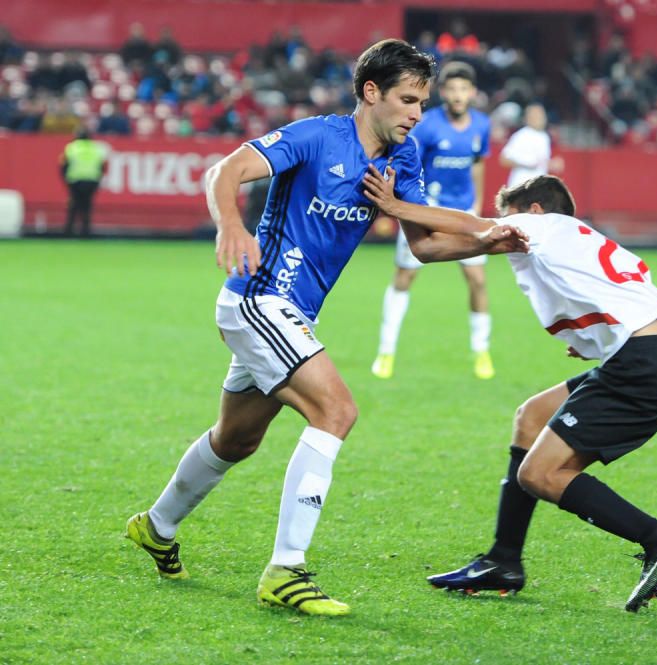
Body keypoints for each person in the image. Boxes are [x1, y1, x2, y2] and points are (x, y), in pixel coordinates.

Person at [123, 39, 529, 618]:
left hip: (290, 314)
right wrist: (231, 226)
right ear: (371, 93)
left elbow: (428, 242)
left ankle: (155, 526)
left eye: (423, 102)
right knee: (336, 411)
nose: (418, 114)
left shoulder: (402, 158)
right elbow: (225, 170)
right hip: (259, 300)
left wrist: (487, 243)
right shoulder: (316, 136)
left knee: (236, 439)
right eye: (408, 100)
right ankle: (286, 569)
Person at [362, 171, 657, 613]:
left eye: (509, 217)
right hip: (654, 358)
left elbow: (474, 226)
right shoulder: (580, 240)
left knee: (540, 475)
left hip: (643, 368)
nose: (504, 229)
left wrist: (395, 207)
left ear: (535, 210)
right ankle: (503, 562)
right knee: (532, 416)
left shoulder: (544, 225)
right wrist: (600, 336)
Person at [372, 62, 495, 381]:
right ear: (443, 93)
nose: (457, 95)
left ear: (473, 93)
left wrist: (478, 203)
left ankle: (481, 351)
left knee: (478, 281)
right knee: (404, 278)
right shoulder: (426, 126)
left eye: (463, 89)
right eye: (452, 89)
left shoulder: (481, 125)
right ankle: (386, 352)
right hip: (427, 210)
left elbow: (478, 164)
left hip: (464, 212)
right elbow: (411, 165)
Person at [500, 102, 563, 187]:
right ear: (528, 118)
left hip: (537, 188)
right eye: (536, 115)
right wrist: (527, 162)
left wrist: (552, 164)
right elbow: (504, 159)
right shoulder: (522, 135)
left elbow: (540, 162)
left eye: (541, 115)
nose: (540, 118)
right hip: (520, 187)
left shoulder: (544, 137)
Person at [60, 127, 106, 237]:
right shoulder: (97, 148)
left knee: (73, 205)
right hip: (91, 180)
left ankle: (68, 231)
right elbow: (102, 166)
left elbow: (64, 164)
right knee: (87, 206)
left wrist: (66, 179)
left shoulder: (71, 147)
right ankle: (86, 231)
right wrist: (97, 180)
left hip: (75, 180)